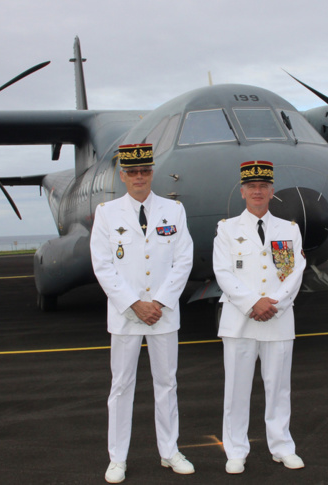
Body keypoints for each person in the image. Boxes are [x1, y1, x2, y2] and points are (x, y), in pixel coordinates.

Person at [90, 143, 195, 483]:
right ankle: (117, 458)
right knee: (121, 386)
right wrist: (135, 303)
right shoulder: (107, 213)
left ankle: (169, 451)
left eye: (145, 171)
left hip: (163, 314)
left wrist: (160, 302)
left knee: (167, 384)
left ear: (152, 173)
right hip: (125, 315)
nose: (139, 177)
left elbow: (183, 261)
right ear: (122, 176)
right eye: (132, 172)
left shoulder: (173, 210)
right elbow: (103, 266)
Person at [212, 160, 307, 474]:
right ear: (242, 191)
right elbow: (223, 273)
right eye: (251, 187)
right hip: (240, 320)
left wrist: (274, 303)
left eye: (263, 186)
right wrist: (254, 302)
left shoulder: (288, 229)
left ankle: (281, 446)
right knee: (236, 390)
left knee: (279, 388)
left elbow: (293, 272)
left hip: (277, 319)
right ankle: (236, 450)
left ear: (271, 191)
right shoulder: (227, 229)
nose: (257, 191)